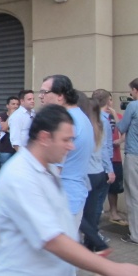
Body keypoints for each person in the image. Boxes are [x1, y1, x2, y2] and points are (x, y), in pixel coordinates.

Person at [0, 104, 138, 276]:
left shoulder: (49, 169)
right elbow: (52, 240)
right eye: (66, 140)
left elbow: (60, 222)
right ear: (44, 138)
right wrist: (113, 269)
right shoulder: (20, 177)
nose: (71, 146)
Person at [39, 74, 94, 228]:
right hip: (73, 195)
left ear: (60, 97)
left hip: (63, 199)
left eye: (44, 92)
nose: (40, 96)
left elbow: (55, 167)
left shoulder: (65, 122)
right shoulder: (80, 117)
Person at [77, 92, 115, 256]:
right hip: (99, 172)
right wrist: (110, 170)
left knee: (77, 213)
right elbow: (106, 150)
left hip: (87, 175)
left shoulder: (82, 126)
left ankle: (96, 243)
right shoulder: (100, 124)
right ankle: (89, 246)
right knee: (91, 213)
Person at [117, 77, 138, 245]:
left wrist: (112, 114)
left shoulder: (133, 106)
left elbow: (121, 127)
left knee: (133, 196)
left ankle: (135, 235)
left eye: (131, 90)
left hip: (134, 155)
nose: (130, 93)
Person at [104, 91, 128, 226]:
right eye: (107, 100)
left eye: (111, 100)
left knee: (115, 187)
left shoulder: (118, 116)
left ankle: (114, 211)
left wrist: (119, 141)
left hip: (116, 156)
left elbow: (124, 131)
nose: (109, 103)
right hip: (103, 158)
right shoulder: (98, 117)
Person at [0, 96, 19, 167]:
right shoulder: (1, 116)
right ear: (7, 106)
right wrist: (11, 115)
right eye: (13, 104)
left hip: (17, 149)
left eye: (17, 104)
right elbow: (1, 128)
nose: (15, 106)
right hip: (5, 149)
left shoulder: (20, 116)